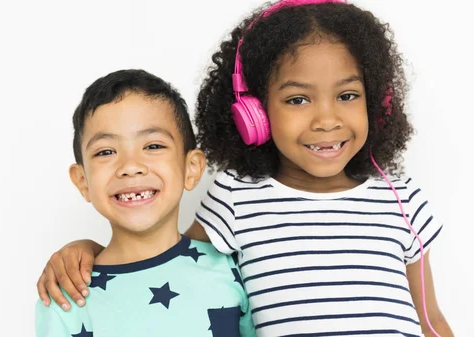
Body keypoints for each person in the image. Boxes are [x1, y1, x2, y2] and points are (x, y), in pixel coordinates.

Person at [37, 1, 453, 336]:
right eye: (297, 99)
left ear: (376, 101)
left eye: (347, 95)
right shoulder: (237, 196)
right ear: (252, 113)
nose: (327, 120)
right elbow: (168, 254)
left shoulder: (401, 200)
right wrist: (89, 251)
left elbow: (430, 318)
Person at [35, 69, 256, 337]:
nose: (130, 166)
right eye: (106, 152)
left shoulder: (232, 269)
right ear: (83, 181)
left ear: (191, 168)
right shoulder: (66, 296)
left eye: (152, 146)